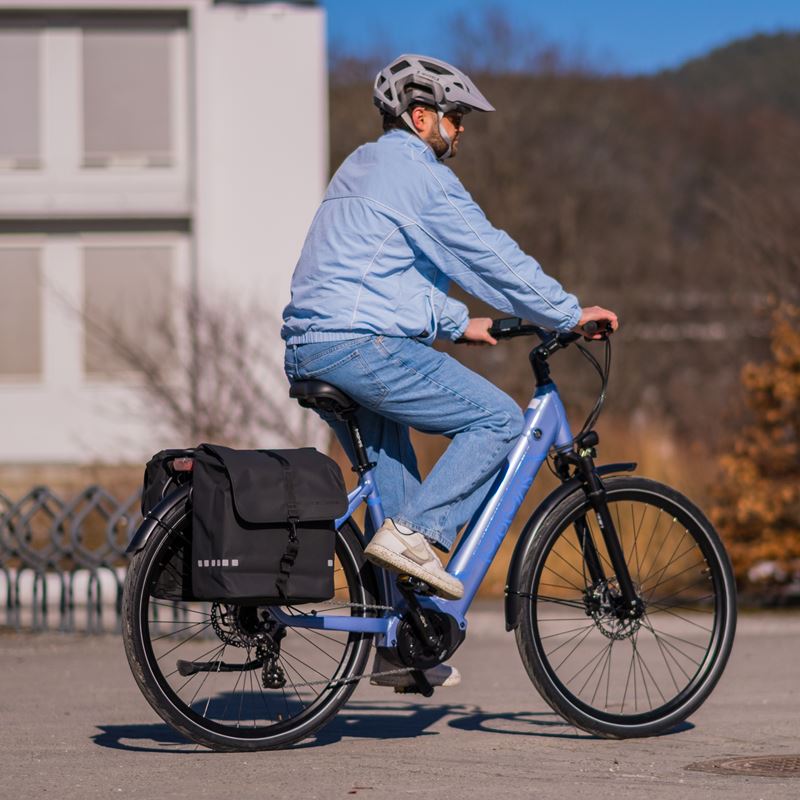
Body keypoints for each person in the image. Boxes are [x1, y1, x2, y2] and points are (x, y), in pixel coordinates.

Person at [282, 54, 618, 688]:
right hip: (359, 345)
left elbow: (381, 275)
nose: (461, 129)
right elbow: (487, 252)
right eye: (455, 117)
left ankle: (398, 639)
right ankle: (420, 537)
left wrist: (458, 323)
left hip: (316, 343)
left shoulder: (364, 164)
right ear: (420, 117)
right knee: (496, 420)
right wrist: (567, 312)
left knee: (397, 479)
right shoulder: (417, 172)